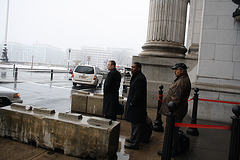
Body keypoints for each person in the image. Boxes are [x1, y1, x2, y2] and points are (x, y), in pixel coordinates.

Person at [158, 63, 191, 157]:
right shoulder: (182, 80)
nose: (174, 71)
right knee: (172, 132)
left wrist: (170, 111)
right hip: (176, 112)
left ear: (182, 70)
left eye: (176, 69)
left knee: (172, 133)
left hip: (175, 112)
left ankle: (169, 151)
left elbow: (176, 99)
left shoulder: (182, 82)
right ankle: (170, 150)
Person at [124, 62, 147, 150]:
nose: (131, 69)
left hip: (137, 106)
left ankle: (135, 143)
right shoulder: (137, 77)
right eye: (131, 67)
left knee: (136, 124)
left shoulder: (139, 78)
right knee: (134, 123)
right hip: (135, 106)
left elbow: (138, 94)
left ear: (138, 68)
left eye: (133, 67)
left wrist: (132, 103)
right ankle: (132, 138)